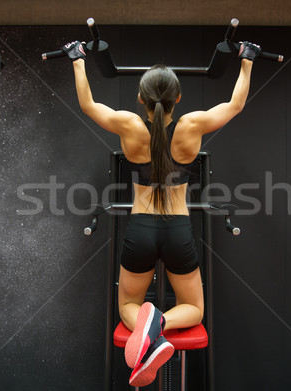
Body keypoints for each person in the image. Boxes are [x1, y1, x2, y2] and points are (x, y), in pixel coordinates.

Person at [63, 40, 259, 386]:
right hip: (177, 230)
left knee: (128, 306)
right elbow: (236, 104)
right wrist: (247, 60)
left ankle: (147, 324)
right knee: (194, 309)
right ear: (177, 99)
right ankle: (161, 324)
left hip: (140, 229)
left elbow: (88, 105)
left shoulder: (128, 126)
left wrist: (78, 59)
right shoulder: (192, 126)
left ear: (141, 99)